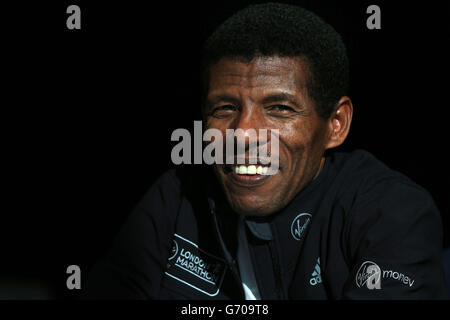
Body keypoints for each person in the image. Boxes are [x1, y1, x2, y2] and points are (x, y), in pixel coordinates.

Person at [85, 3, 447, 299]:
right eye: (224, 108)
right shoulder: (176, 199)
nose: (243, 134)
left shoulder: (391, 212)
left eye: (279, 109)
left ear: (336, 124)